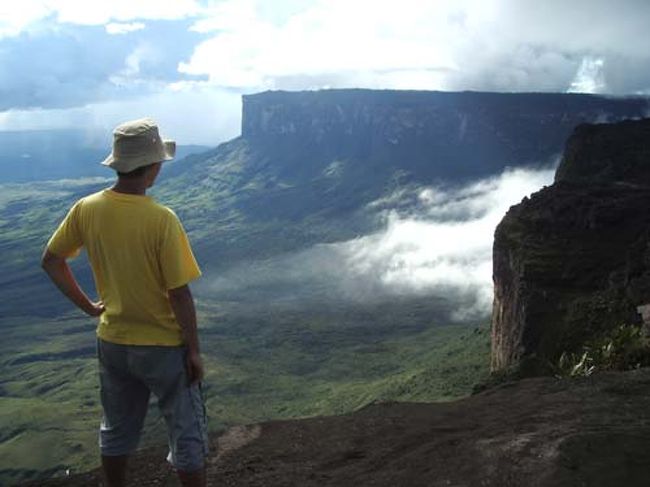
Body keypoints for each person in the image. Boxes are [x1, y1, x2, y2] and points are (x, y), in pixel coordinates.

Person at [41, 118, 208, 487]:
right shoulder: (162, 220)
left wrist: (88, 307)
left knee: (116, 428)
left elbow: (51, 261)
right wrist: (194, 350)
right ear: (152, 167)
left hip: (113, 340)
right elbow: (179, 294)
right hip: (163, 346)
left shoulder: (87, 208)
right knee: (186, 431)